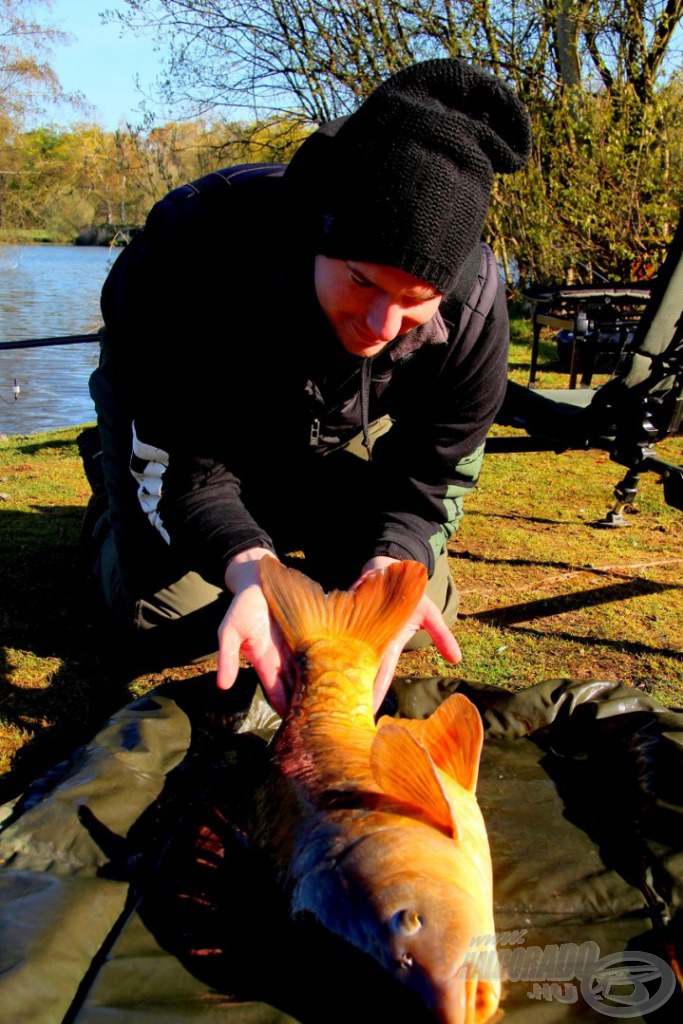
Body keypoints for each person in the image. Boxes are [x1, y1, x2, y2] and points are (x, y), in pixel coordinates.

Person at [83, 58, 532, 716]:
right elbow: (185, 474)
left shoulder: (475, 306)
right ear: (315, 235)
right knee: (166, 620)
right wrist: (249, 566)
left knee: (415, 601)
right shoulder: (188, 252)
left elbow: (431, 479)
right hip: (193, 436)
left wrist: (392, 563)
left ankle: (300, 523)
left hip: (339, 428)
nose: (383, 324)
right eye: (362, 281)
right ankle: (110, 501)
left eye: (417, 302)